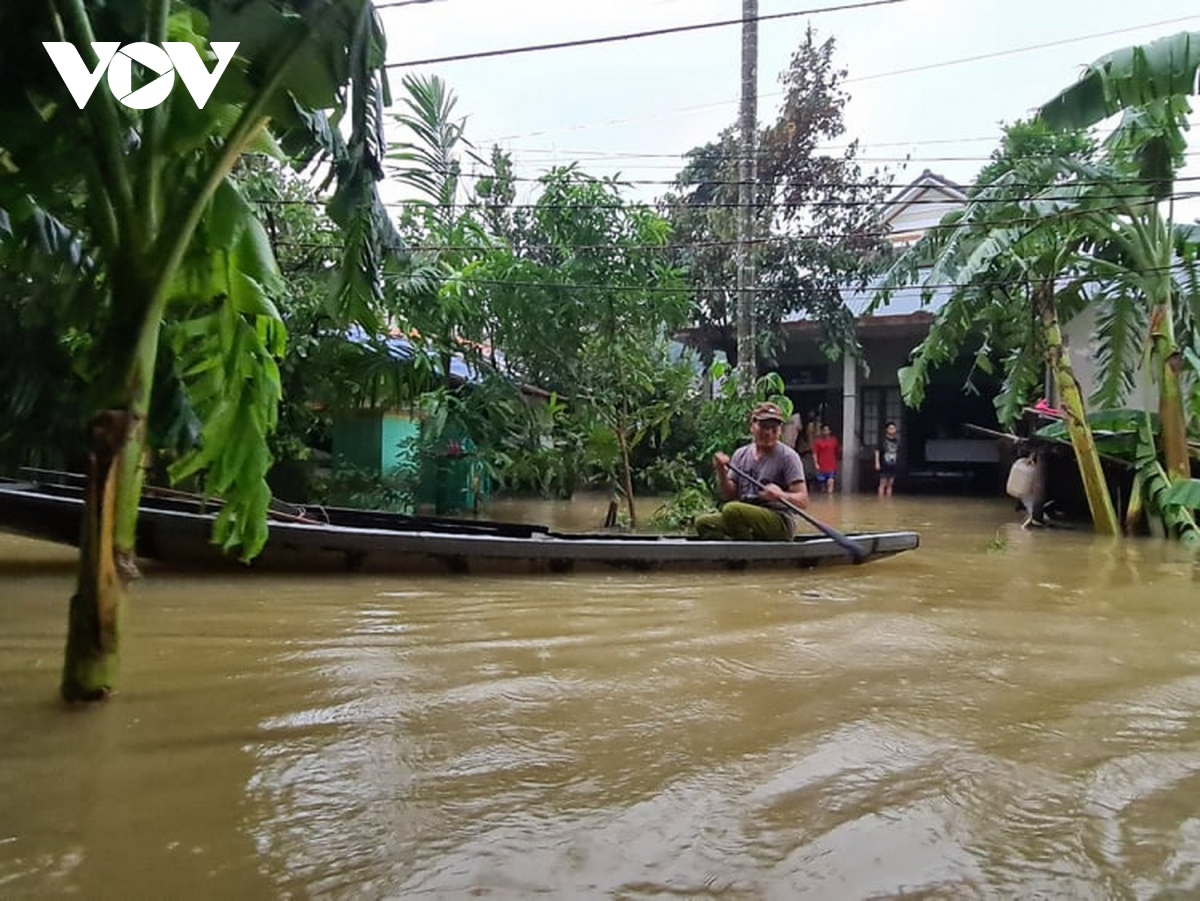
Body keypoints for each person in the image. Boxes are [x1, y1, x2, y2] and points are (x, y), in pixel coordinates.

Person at [694, 402, 808, 541]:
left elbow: (803, 500)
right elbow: (728, 495)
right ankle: (741, 544)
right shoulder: (741, 454)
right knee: (704, 523)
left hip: (778, 520)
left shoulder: (788, 456)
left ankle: (746, 549)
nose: (768, 432)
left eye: (773, 428)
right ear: (752, 427)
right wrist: (721, 472)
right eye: (763, 427)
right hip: (745, 517)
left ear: (780, 430)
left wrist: (782, 495)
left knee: (732, 510)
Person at [812, 423, 841, 494]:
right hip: (821, 466)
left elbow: (837, 452)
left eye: (827, 430)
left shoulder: (834, 441)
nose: (825, 432)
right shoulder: (817, 442)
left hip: (831, 465)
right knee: (822, 486)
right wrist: (816, 463)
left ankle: (830, 499)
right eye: (824, 430)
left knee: (830, 482)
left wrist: (837, 463)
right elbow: (814, 453)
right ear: (821, 431)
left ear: (830, 431)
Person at [875, 421, 899, 497]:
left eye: (893, 428)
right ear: (887, 429)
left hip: (893, 464)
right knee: (882, 483)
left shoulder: (897, 441)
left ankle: (888, 500)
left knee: (890, 484)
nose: (892, 430)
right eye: (890, 428)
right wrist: (877, 462)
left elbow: (898, 452)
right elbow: (877, 451)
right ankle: (880, 501)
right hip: (884, 464)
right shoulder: (882, 440)